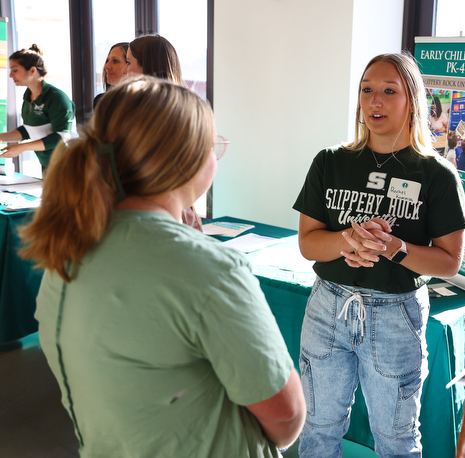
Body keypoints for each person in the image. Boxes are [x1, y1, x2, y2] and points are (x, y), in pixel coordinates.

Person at [20, 77, 305, 457]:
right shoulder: (210, 270)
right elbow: (285, 417)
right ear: (184, 160)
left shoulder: (67, 248)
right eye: (212, 146)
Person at [292, 52, 465, 458]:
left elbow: (449, 261)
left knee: (397, 442)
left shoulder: (437, 174)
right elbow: (307, 243)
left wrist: (394, 248)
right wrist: (348, 241)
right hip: (327, 307)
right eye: (367, 90)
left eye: (390, 91)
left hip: (395, 314)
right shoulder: (330, 161)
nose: (376, 101)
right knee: (318, 431)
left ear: (412, 101)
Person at [125, 34, 201, 231]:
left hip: (151, 215)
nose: (125, 70)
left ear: (146, 66)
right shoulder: (185, 106)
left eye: (128, 62)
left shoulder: (143, 111)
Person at [0, 44, 75, 171]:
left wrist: (22, 147)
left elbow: (61, 137)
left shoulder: (57, 97)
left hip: (68, 165)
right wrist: (2, 137)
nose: (10, 75)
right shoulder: (28, 98)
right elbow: (29, 130)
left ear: (33, 71)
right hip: (47, 164)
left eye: (15, 70)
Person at [93, 42, 129, 108]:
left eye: (115, 61)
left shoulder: (143, 103)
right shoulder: (101, 101)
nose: (106, 66)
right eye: (108, 60)